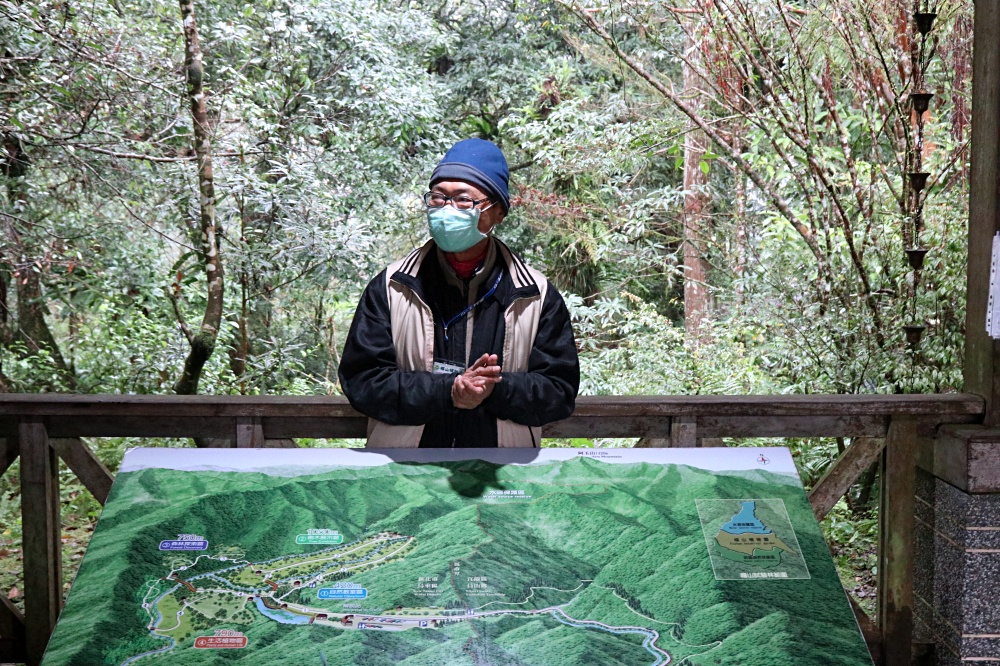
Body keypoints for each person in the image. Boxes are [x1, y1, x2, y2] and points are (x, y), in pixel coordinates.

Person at [339, 138, 580, 447]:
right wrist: (448, 391)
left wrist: (495, 389)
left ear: (497, 213)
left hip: (500, 476)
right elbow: (363, 381)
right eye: (438, 198)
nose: (446, 210)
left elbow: (558, 391)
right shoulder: (391, 287)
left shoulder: (535, 295)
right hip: (407, 474)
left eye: (463, 199)